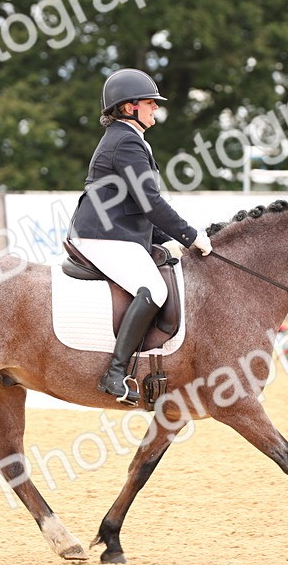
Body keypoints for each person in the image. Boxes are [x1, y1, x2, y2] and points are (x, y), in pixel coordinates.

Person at [67, 68, 212, 406]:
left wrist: (164, 239)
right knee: (154, 289)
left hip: (118, 232)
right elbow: (150, 202)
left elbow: (135, 205)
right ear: (130, 107)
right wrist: (189, 236)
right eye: (150, 103)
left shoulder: (127, 139)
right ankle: (115, 373)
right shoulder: (126, 140)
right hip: (103, 236)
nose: (155, 109)